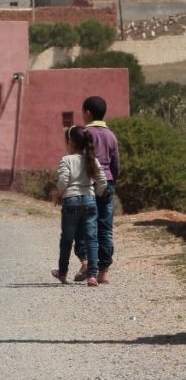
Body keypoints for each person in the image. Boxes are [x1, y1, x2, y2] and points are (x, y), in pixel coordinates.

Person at [51, 125, 106, 288]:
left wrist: (59, 193)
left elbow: (63, 182)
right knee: (91, 238)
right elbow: (102, 181)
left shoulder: (66, 160)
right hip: (89, 201)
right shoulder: (91, 159)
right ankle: (92, 276)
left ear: (70, 142)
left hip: (71, 202)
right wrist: (97, 193)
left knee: (67, 239)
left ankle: (62, 272)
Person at [74, 95, 120, 284]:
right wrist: (112, 180)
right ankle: (103, 271)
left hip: (87, 184)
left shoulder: (84, 133)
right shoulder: (111, 136)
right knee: (105, 227)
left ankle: (86, 261)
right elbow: (116, 162)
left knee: (84, 224)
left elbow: (78, 160)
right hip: (107, 183)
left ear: (88, 113)